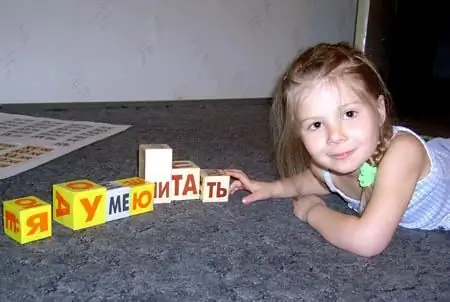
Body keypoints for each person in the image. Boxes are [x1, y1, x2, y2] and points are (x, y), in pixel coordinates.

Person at [224, 42, 450, 257]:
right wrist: (271, 188)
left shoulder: (402, 154)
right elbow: (310, 181)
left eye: (349, 114)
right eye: (316, 125)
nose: (335, 136)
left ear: (380, 110)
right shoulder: (328, 166)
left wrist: (313, 212)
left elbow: (368, 240)